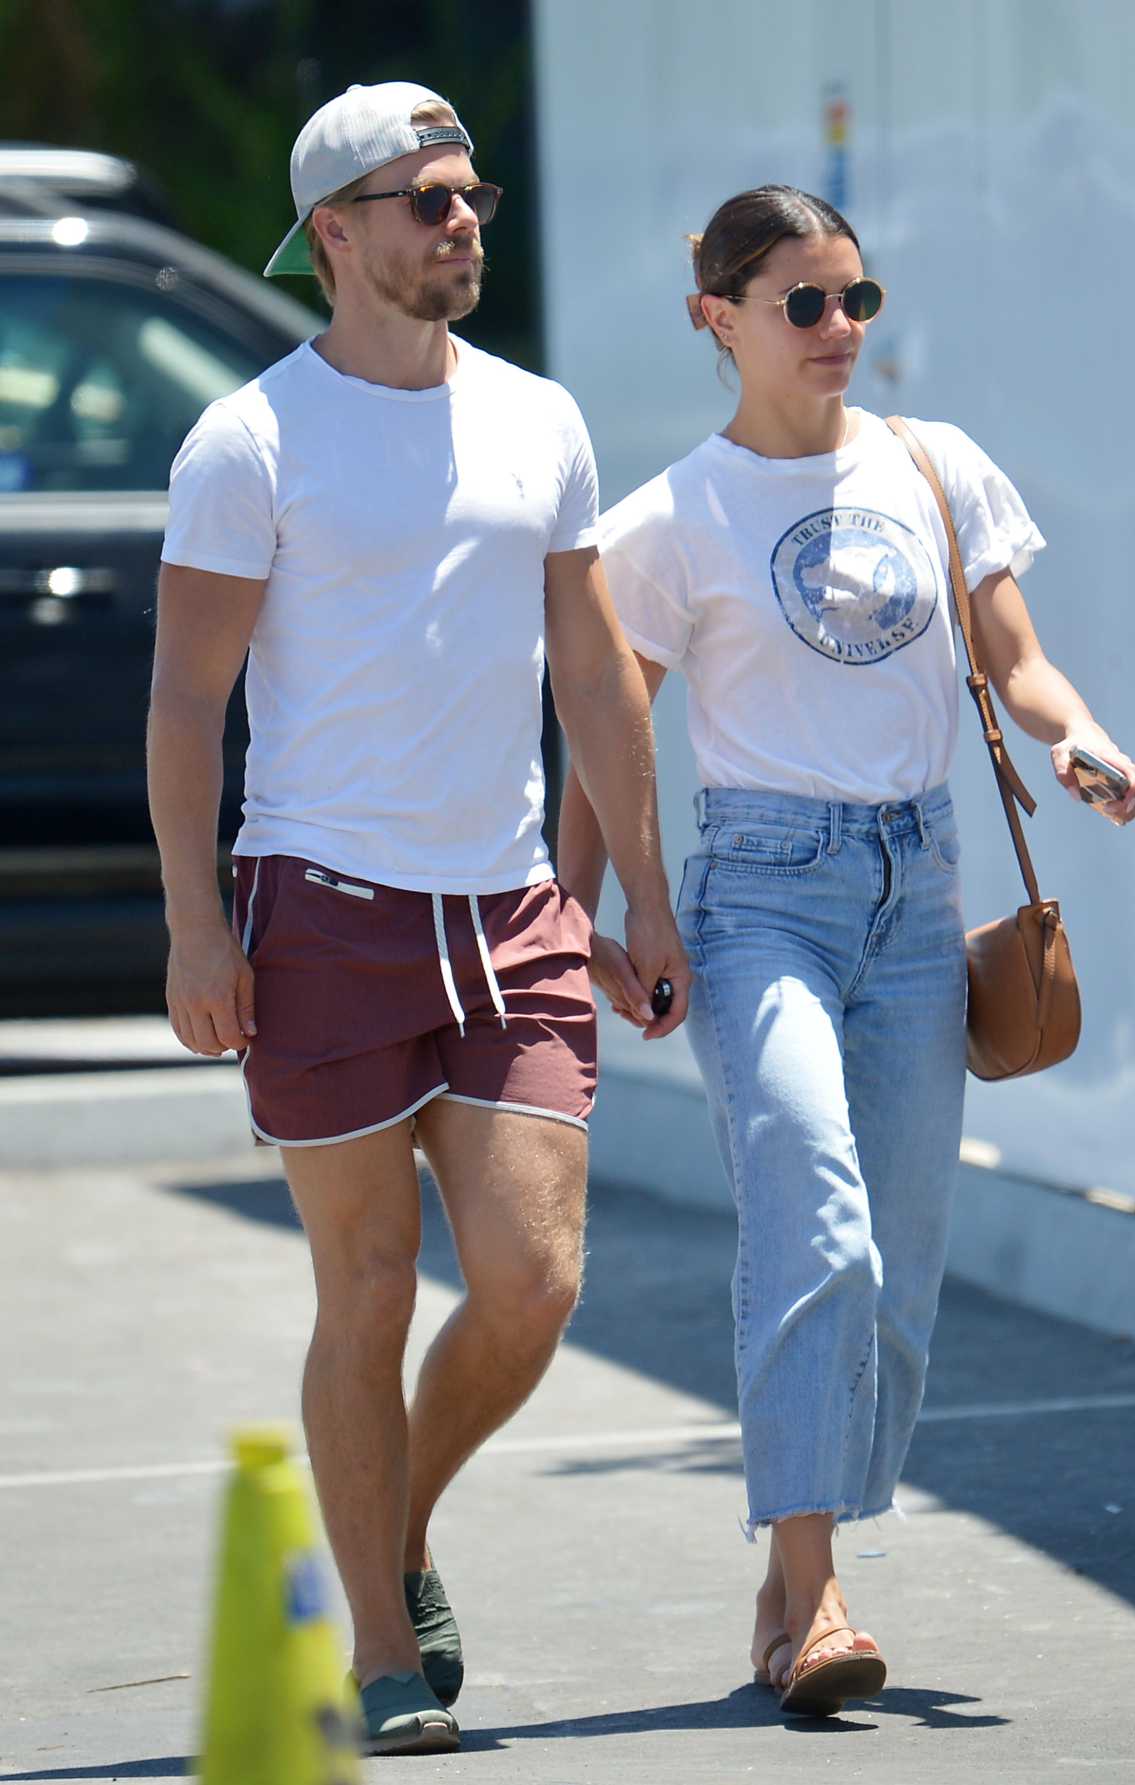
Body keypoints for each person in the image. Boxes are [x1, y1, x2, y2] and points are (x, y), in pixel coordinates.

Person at [147, 80, 688, 1757]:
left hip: (510, 908)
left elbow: (593, 672)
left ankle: (396, 1527)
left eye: (471, 195)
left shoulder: (539, 416)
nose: (461, 221)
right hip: (322, 907)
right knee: (367, 1282)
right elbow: (186, 701)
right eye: (424, 199)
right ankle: (381, 1640)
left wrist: (644, 895)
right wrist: (195, 924)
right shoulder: (249, 440)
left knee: (530, 1281)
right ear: (335, 232)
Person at [557, 184, 1135, 1719]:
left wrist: (1075, 739)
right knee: (813, 1214)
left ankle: (787, 1567)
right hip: (759, 894)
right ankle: (817, 1592)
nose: (837, 330)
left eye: (856, 301)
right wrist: (607, 906)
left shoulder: (933, 466)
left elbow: (1013, 659)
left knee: (896, 1271)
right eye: (803, 304)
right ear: (718, 317)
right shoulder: (672, 513)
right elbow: (605, 725)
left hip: (916, 884)